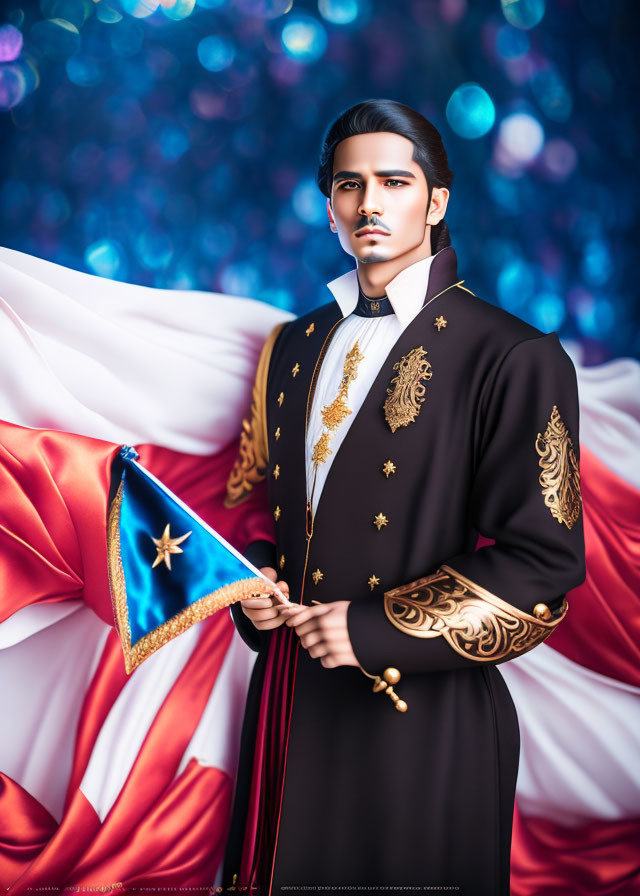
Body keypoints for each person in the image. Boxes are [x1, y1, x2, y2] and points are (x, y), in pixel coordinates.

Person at [221, 99, 586, 896]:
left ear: (438, 200)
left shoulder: (515, 355)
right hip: (289, 699)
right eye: (351, 186)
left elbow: (545, 567)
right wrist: (253, 582)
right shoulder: (292, 346)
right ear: (329, 208)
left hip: (422, 720)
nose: (371, 204)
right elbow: (272, 511)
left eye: (395, 180)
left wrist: (374, 629)